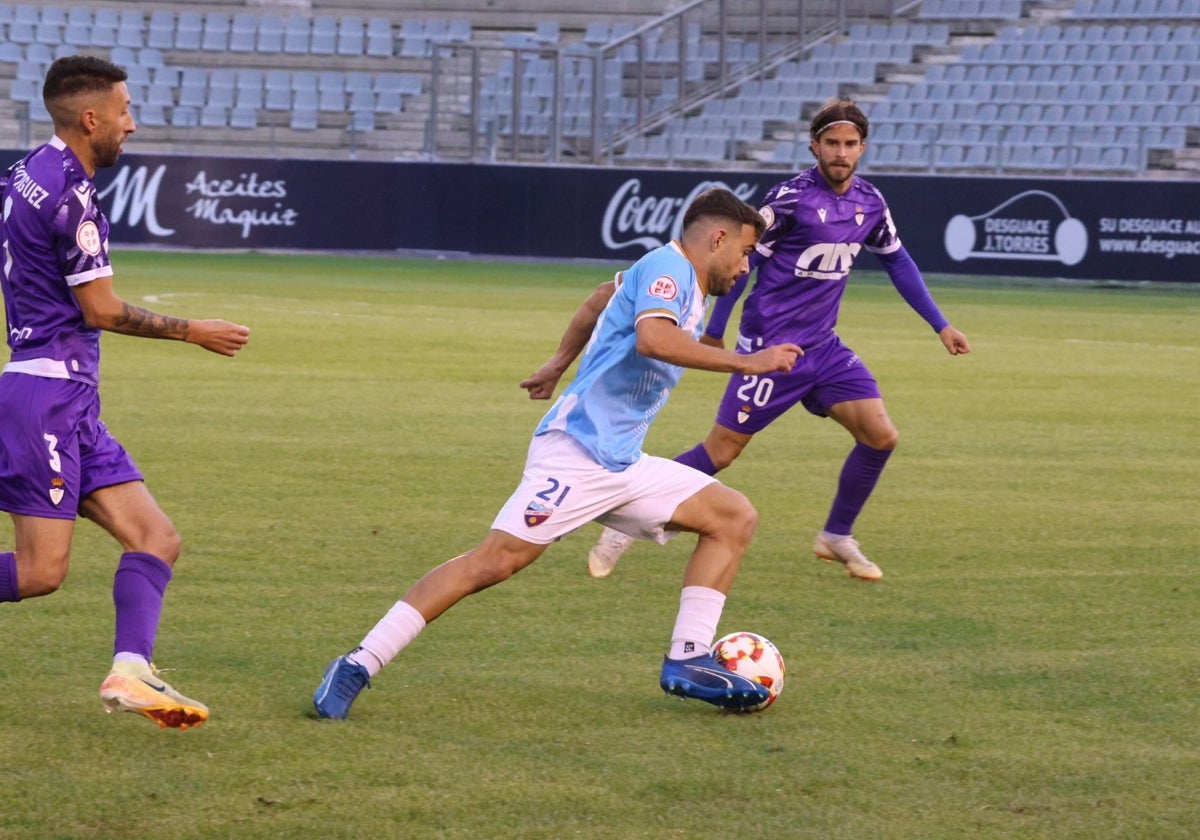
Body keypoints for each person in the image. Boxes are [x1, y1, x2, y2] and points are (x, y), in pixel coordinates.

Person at [313, 188, 802, 719]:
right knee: (493, 563)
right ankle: (357, 663)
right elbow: (654, 342)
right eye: (747, 251)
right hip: (574, 454)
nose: (747, 264)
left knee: (733, 516)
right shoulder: (670, 269)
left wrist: (556, 363)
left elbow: (599, 297)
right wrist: (746, 363)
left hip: (620, 461)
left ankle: (687, 661)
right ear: (718, 238)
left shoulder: (677, 280)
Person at [572, 98, 970, 582]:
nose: (841, 153)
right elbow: (740, 264)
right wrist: (718, 329)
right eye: (831, 143)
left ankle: (836, 535)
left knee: (880, 436)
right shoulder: (788, 199)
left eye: (850, 144)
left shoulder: (871, 203)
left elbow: (898, 262)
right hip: (770, 348)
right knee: (721, 452)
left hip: (823, 349)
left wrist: (940, 324)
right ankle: (625, 524)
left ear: (862, 148)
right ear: (814, 146)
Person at [0, 56, 250, 730]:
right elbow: (101, 310)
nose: (130, 124)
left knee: (155, 537)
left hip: (66, 400)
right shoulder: (71, 196)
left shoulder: (25, 173)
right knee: (39, 571)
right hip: (45, 400)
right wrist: (195, 330)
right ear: (91, 118)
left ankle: (131, 672)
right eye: (123, 111)